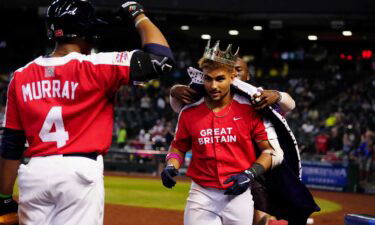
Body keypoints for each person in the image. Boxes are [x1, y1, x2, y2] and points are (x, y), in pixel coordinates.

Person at [0, 1, 174, 224]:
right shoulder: (98, 65)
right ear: (88, 32)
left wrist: (4, 198)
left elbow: (12, 144)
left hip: (34, 173)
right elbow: (162, 59)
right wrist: (137, 14)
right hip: (79, 171)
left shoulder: (20, 76)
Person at [161, 40, 279, 225]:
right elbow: (178, 146)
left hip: (238, 195)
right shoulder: (189, 112)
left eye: (220, 79)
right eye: (208, 79)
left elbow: (268, 152)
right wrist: (171, 165)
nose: (213, 86)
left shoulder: (249, 110)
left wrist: (249, 174)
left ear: (233, 76)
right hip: (201, 194)